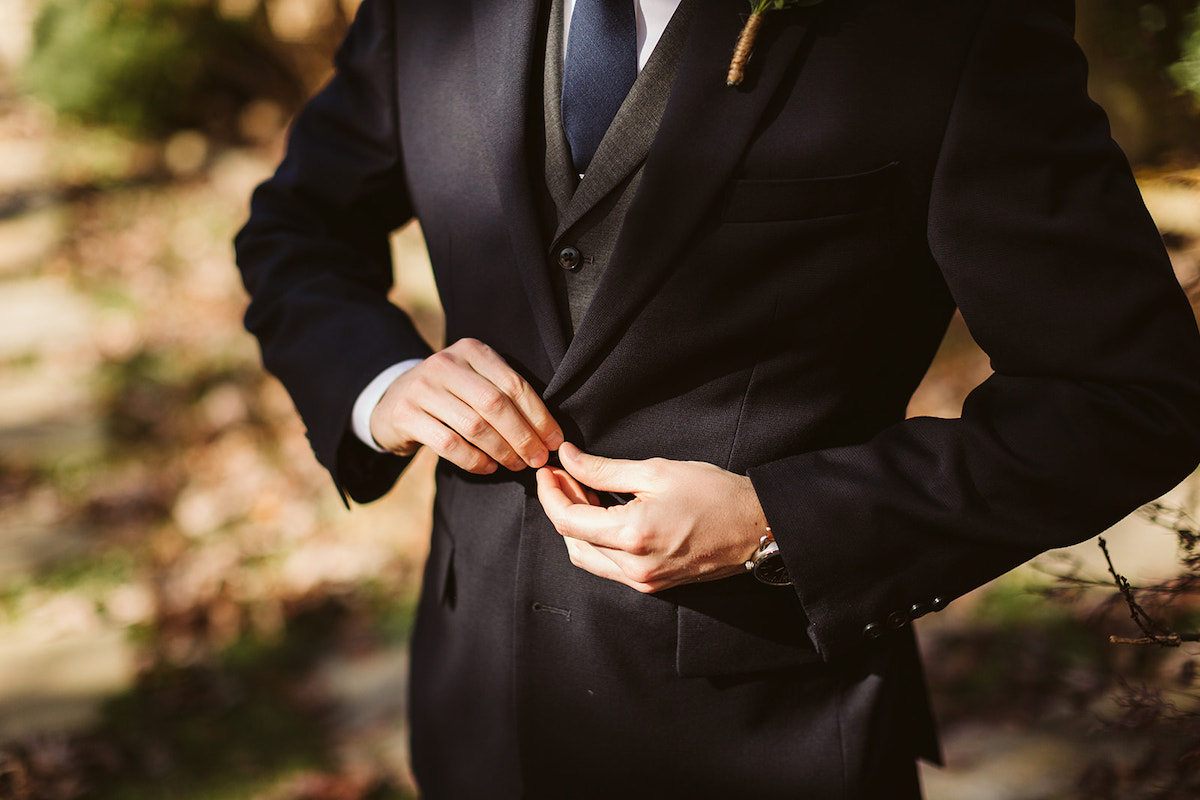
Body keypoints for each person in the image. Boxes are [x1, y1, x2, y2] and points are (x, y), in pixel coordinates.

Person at [234, 0, 1200, 796]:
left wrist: (785, 523)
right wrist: (383, 385)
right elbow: (298, 225)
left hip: (770, 736)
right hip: (475, 712)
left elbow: (1129, 392)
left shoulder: (952, 22)